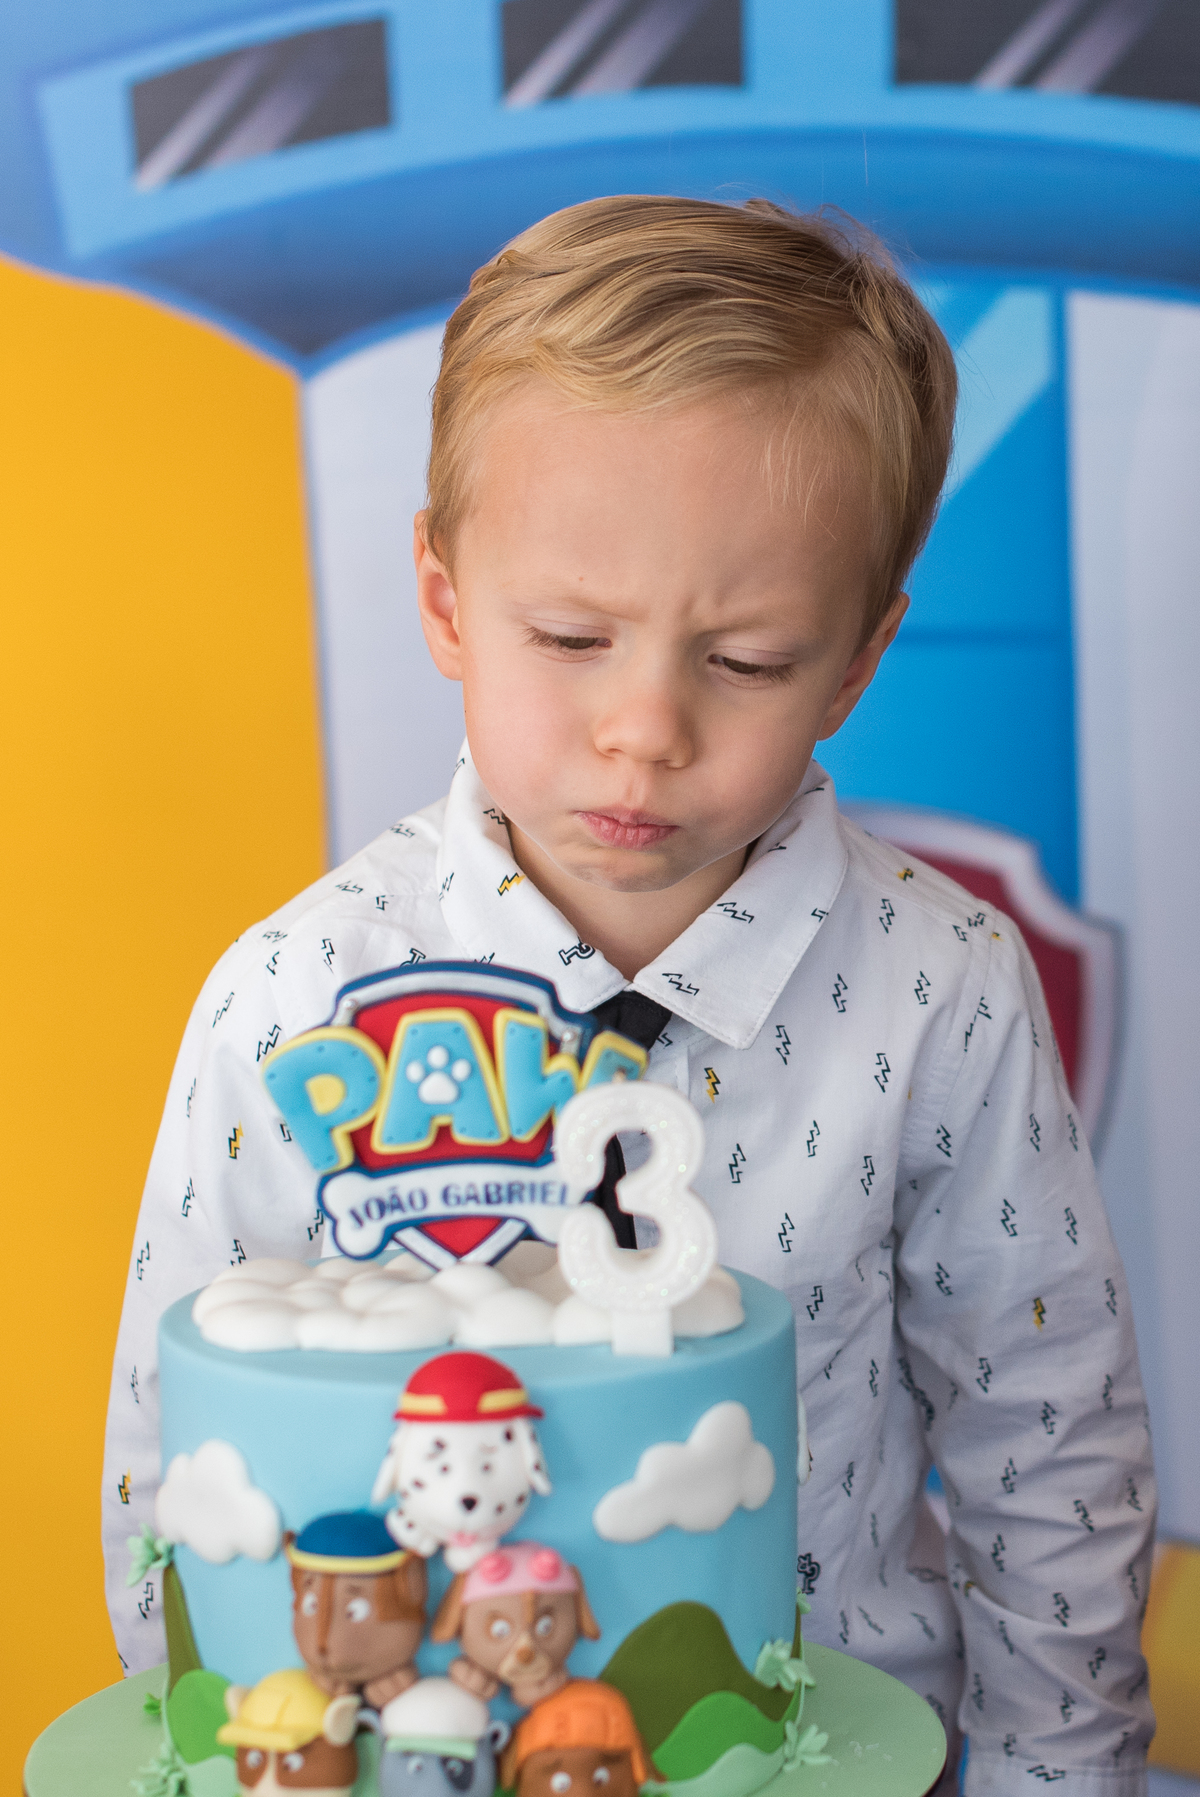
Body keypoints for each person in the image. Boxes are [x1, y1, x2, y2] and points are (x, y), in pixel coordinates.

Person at [103, 195, 1155, 1793]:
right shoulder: (294, 996)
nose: (646, 728)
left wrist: (1055, 1772)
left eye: (747, 659)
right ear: (446, 601)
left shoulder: (941, 987)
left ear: (858, 658)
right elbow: (172, 1454)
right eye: (572, 635)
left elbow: (1047, 1430)